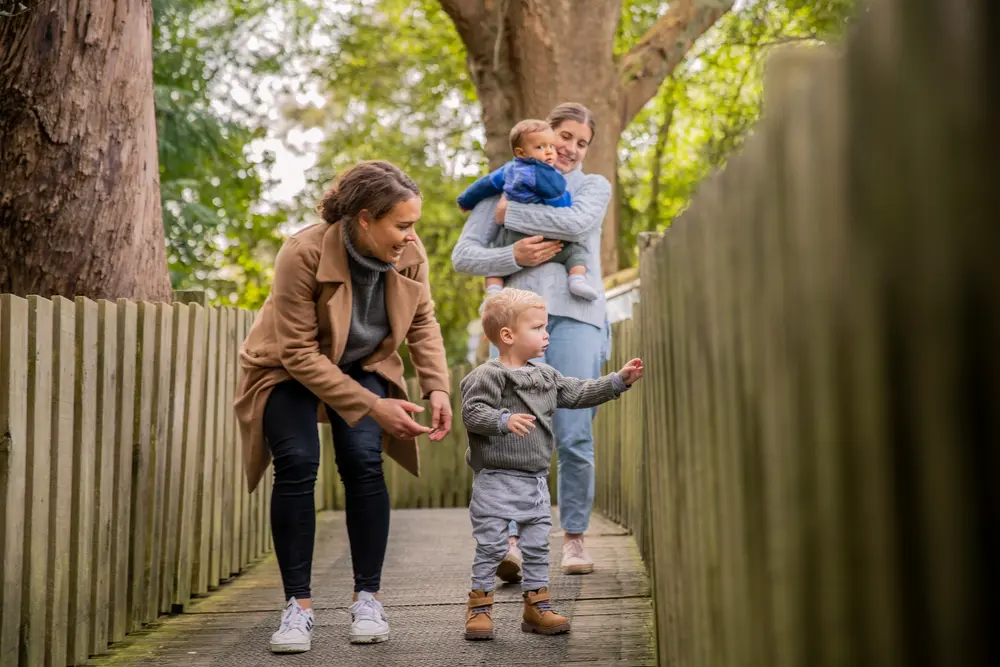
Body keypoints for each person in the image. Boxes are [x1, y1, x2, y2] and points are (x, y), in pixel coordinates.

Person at [233, 160, 452, 653]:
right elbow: (298, 352)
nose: (409, 236)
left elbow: (423, 322)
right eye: (402, 224)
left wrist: (437, 387)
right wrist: (375, 407)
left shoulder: (410, 254)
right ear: (365, 219)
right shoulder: (303, 252)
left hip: (363, 363)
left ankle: (367, 598)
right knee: (297, 463)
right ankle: (297, 608)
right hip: (287, 367)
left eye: (412, 225)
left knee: (362, 462)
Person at [451, 102, 612, 581]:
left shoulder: (593, 186)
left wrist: (512, 211)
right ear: (543, 134)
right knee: (515, 432)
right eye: (564, 136)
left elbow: (577, 226)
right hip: (512, 324)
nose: (570, 148)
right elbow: (464, 255)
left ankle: (576, 538)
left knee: (575, 433)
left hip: (578, 317)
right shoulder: (503, 179)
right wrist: (512, 251)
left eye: (581, 143)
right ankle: (514, 544)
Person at [460, 288, 643, 641]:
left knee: (537, 545)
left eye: (545, 326)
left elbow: (577, 392)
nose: (547, 334)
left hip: (534, 481)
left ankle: (536, 605)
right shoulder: (489, 375)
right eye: (538, 327)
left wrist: (617, 382)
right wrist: (503, 420)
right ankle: (479, 608)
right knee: (493, 546)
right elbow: (471, 411)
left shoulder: (545, 376)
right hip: (495, 478)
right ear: (508, 336)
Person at [456, 119, 598, 303]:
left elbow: (485, 184)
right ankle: (577, 279)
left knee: (496, 251)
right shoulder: (548, 174)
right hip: (546, 239)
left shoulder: (508, 169)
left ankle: (493, 290)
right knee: (577, 251)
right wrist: (567, 203)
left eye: (550, 146)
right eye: (541, 147)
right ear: (521, 152)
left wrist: (465, 200)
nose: (549, 151)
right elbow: (561, 204)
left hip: (513, 235)